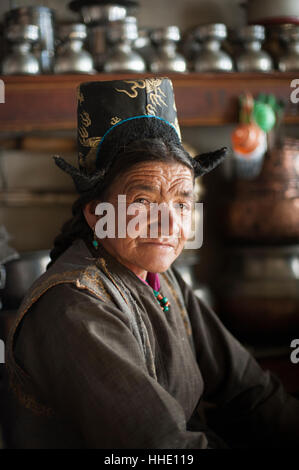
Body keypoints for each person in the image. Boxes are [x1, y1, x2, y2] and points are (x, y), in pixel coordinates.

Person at [6, 78, 299, 449]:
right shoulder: (75, 306)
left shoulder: (163, 278)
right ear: (98, 214)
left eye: (181, 203)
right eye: (143, 202)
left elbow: (250, 389)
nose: (169, 225)